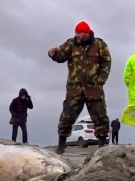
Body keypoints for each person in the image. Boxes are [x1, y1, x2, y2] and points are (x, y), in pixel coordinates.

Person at [48, 20, 112, 154]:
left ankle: (101, 145)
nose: (77, 35)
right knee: (67, 116)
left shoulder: (99, 44)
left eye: (79, 33)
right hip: (74, 88)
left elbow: (107, 62)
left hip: (94, 88)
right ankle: (61, 146)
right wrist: (53, 54)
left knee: (100, 115)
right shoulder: (71, 44)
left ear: (86, 33)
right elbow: (61, 56)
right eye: (76, 32)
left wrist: (100, 80)